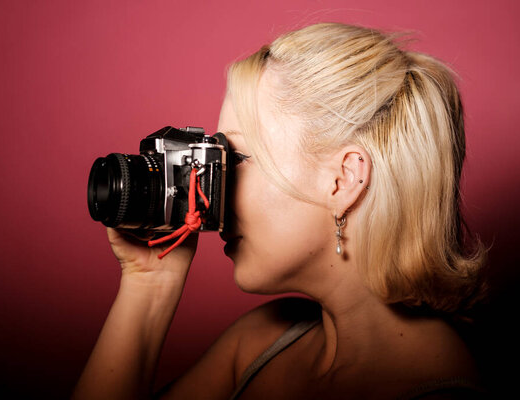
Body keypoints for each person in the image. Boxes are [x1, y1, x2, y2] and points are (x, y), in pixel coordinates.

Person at [72, 22, 488, 399]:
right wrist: (150, 284)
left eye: (234, 158)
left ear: (343, 180)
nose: (214, 189)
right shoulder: (260, 341)